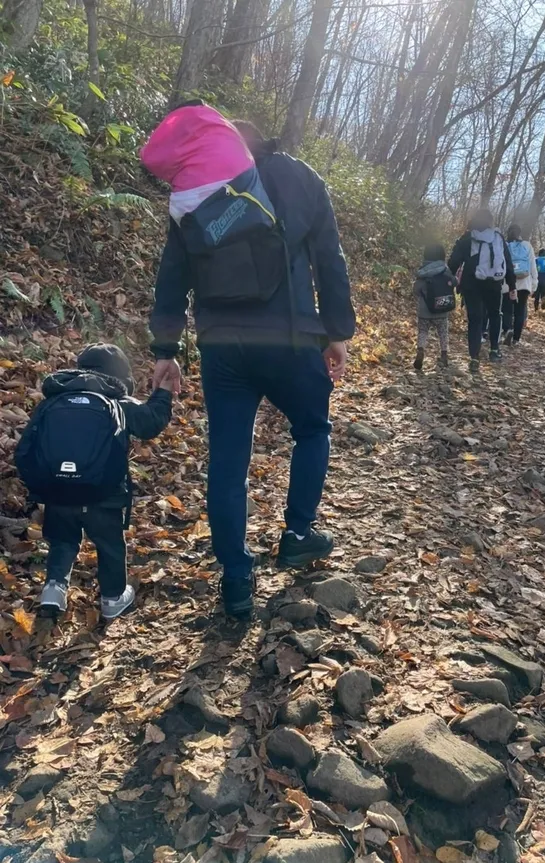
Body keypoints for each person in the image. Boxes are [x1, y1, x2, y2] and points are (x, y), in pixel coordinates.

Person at [145, 112, 355, 619]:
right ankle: (298, 534)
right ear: (264, 139)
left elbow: (173, 274)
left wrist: (165, 349)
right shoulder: (300, 178)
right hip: (291, 338)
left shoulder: (197, 190)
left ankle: (236, 581)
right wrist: (338, 333)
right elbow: (329, 259)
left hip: (223, 348)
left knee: (227, 461)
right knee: (311, 429)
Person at [15, 344, 173, 619]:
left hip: (58, 493)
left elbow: (26, 449)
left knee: (62, 541)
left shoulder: (52, 401)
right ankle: (113, 598)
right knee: (109, 544)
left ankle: (54, 589)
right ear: (120, 375)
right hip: (104, 494)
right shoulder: (117, 402)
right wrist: (164, 391)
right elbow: (152, 422)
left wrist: (41, 486)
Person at [448, 208, 516, 373]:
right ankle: (494, 350)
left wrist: (449, 279)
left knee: (475, 319)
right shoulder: (498, 237)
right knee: (495, 315)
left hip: (472, 284)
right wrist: (512, 285)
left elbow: (454, 261)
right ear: (490, 221)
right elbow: (507, 261)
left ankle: (474, 357)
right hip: (494, 283)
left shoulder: (467, 237)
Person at [412, 244, 457, 370]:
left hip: (424, 311)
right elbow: (454, 282)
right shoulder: (446, 270)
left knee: (422, 332)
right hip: (442, 309)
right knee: (443, 332)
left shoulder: (423, 272)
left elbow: (416, 290)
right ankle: (444, 355)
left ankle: (420, 350)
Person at [502, 224, 537, 345]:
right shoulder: (527, 246)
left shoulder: (504, 245)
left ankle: (507, 330)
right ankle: (516, 339)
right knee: (520, 311)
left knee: (507, 309)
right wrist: (534, 285)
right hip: (524, 284)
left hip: (507, 284)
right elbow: (533, 266)